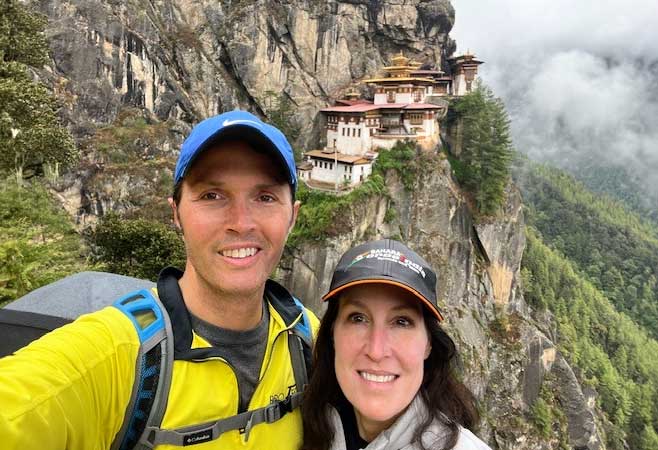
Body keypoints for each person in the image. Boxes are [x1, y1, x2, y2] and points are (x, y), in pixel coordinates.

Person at [0, 110, 319, 450]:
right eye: (212, 195)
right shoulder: (120, 356)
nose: (241, 223)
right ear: (176, 214)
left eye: (265, 197)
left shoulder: (306, 340)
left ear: (292, 217)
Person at [302, 239, 491, 450]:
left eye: (402, 322)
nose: (376, 350)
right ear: (332, 334)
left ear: (428, 343)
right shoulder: (305, 427)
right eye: (358, 318)